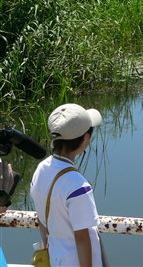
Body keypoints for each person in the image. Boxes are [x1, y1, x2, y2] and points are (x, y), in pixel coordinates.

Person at [30, 103, 105, 266]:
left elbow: (43, 220)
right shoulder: (78, 186)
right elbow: (82, 237)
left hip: (55, 258)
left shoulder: (41, 169)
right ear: (84, 138)